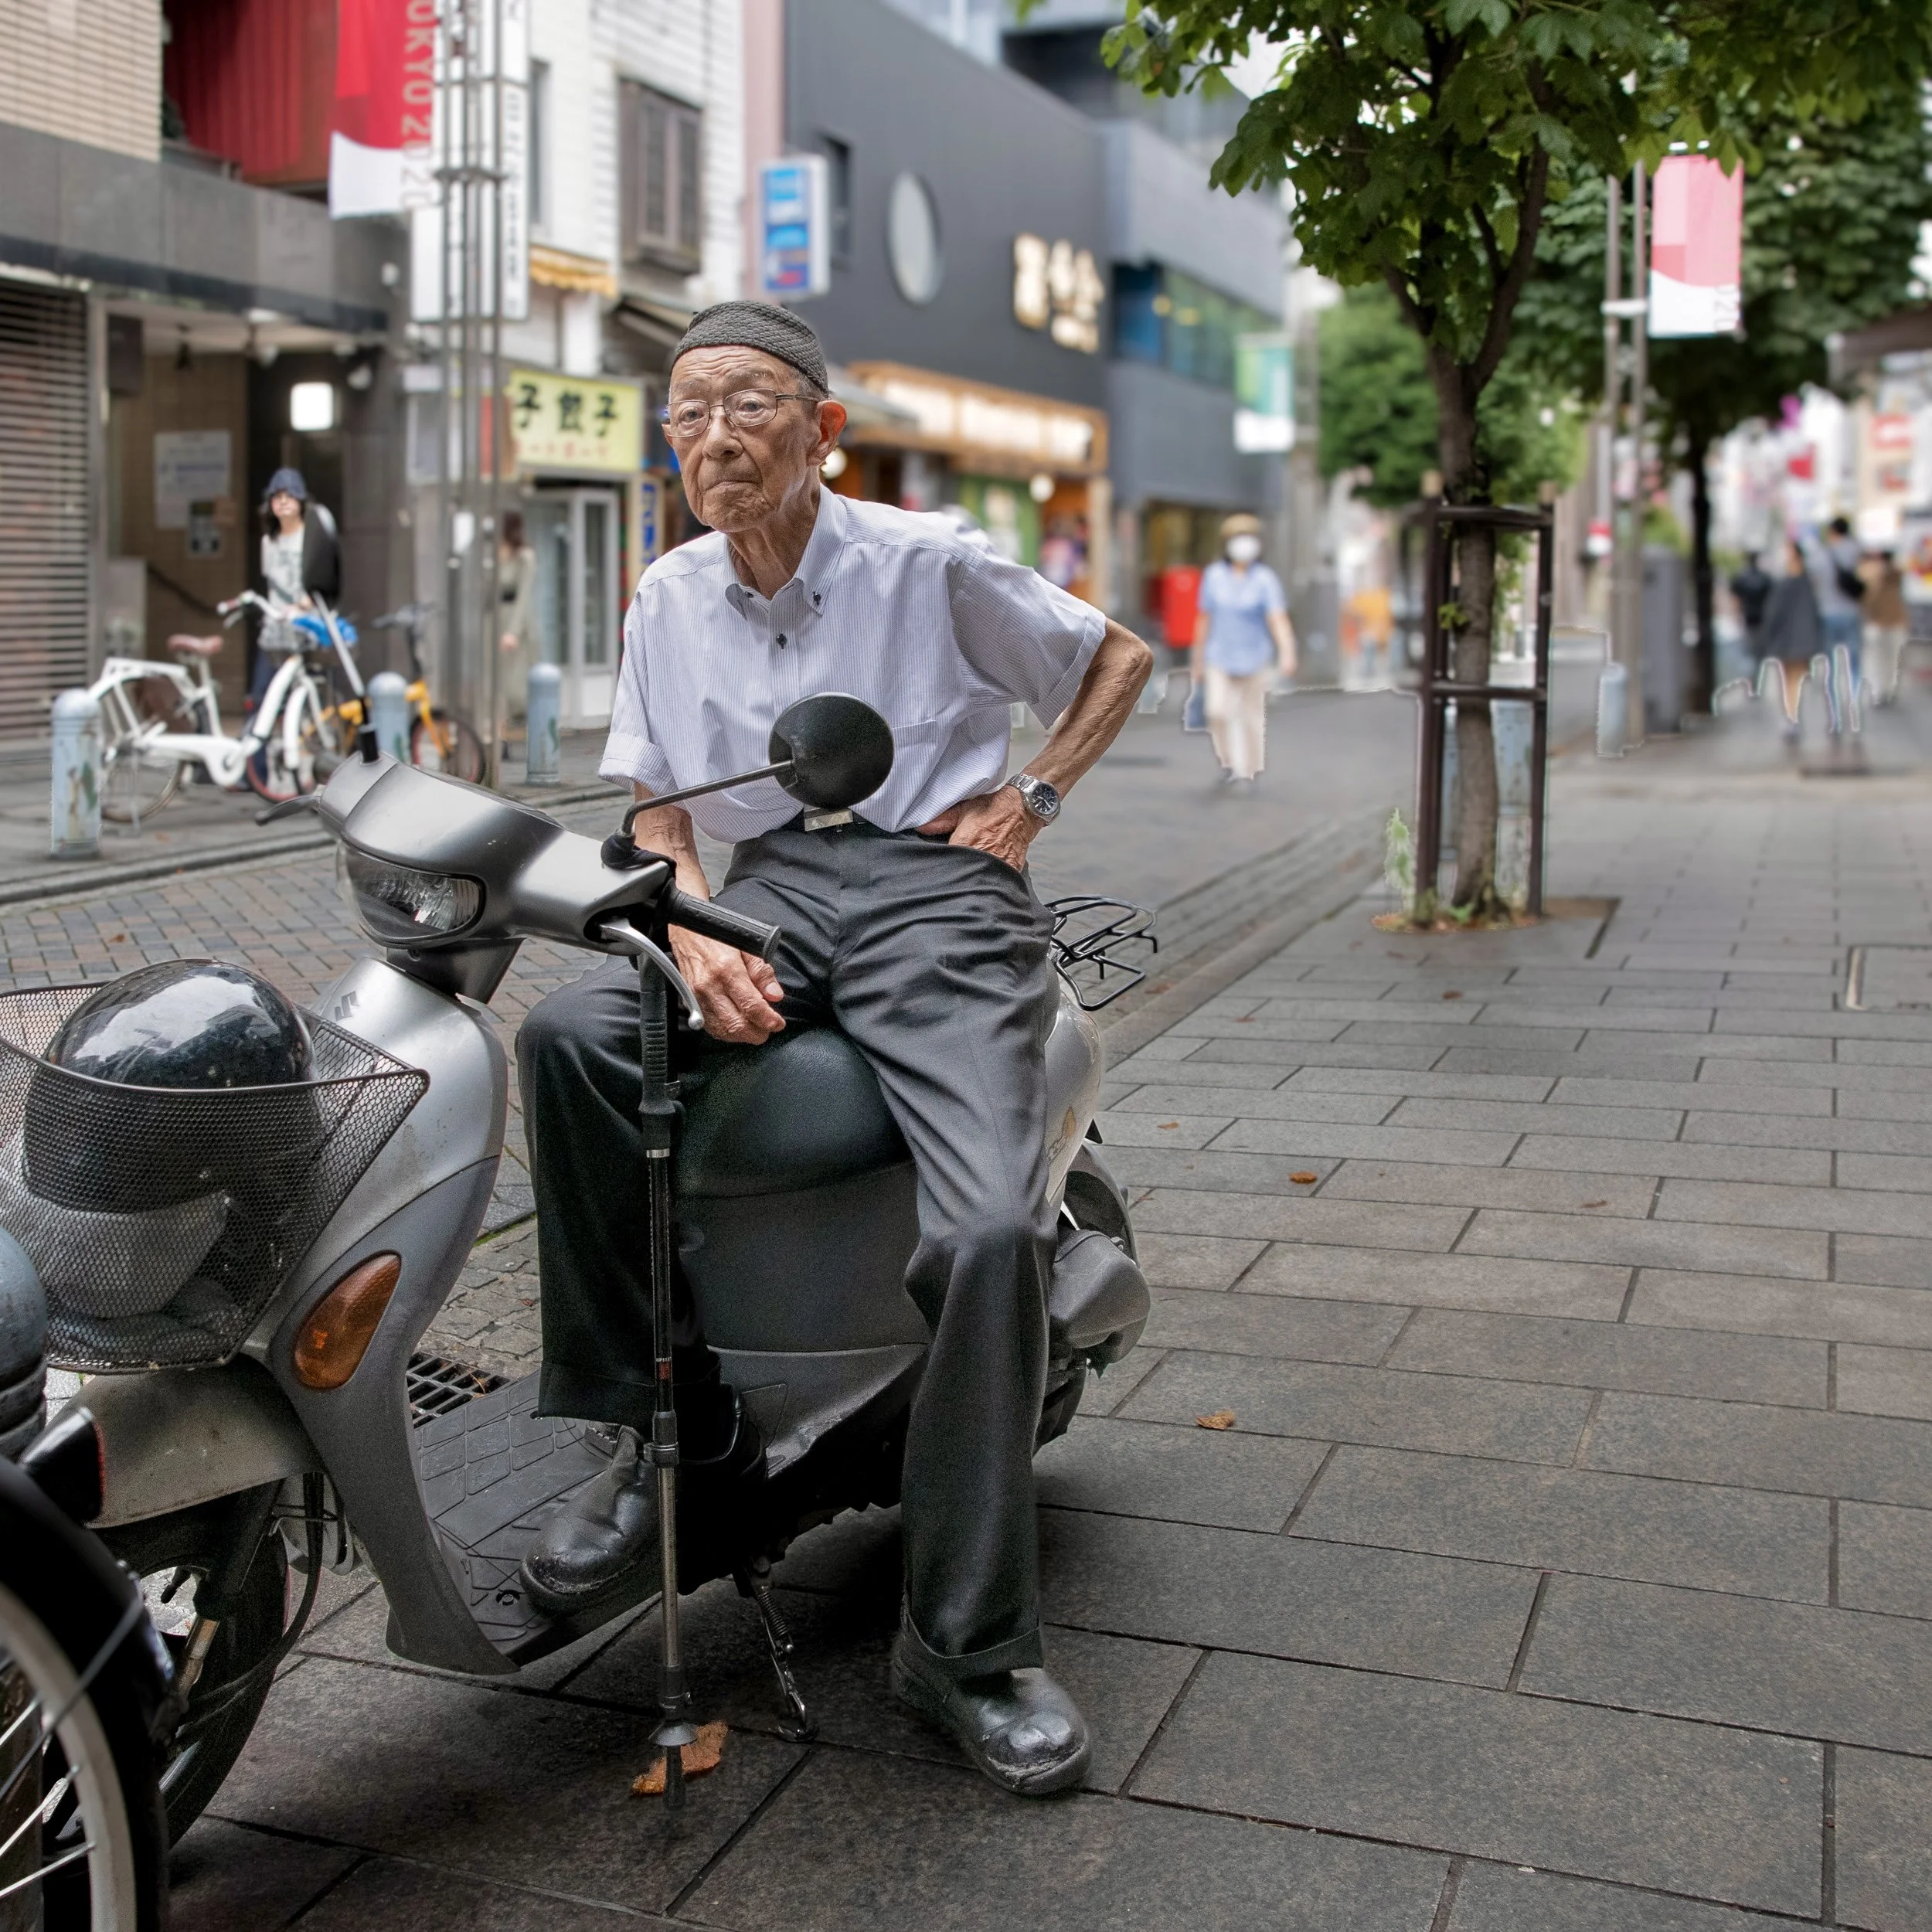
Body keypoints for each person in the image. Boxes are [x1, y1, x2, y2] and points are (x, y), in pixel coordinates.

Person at [514, 301, 1152, 1796]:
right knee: (568, 1037)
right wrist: (685, 927)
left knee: (989, 1229)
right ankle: (670, 1430)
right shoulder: (669, 593)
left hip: (941, 894)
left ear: (823, 432)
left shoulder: (926, 562)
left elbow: (1113, 658)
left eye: (746, 406)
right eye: (687, 415)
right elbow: (658, 802)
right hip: (774, 892)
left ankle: (968, 1646)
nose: (713, 439)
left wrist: (1032, 801)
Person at [1191, 513, 1296, 785]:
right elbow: (1204, 619)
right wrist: (1198, 660)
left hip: (1255, 656)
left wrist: (1287, 651)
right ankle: (1227, 762)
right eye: (1238, 537)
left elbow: (1277, 618)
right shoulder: (1214, 576)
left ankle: (1248, 770)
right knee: (1217, 710)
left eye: (1248, 537)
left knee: (1251, 717)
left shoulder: (1265, 579)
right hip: (1219, 655)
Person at [252, 468, 339, 709]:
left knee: (312, 698)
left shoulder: (314, 538)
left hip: (309, 630)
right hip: (276, 630)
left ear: (301, 501)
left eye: (290, 496)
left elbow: (327, 580)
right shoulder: (268, 542)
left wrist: (306, 602)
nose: (283, 502)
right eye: (277, 497)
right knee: (262, 696)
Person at [1761, 537, 1821, 741]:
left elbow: (1773, 613)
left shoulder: (1784, 582)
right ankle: (1792, 717)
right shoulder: (1808, 582)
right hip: (1803, 637)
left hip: (1786, 638)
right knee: (1795, 679)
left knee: (1789, 680)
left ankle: (1791, 717)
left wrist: (1768, 636)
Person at [1811, 515, 1865, 689]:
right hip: (1852, 611)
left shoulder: (1821, 554)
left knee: (1830, 663)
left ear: (1832, 531)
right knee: (1854, 661)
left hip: (1827, 612)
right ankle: (1855, 698)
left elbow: (1814, 581)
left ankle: (1833, 702)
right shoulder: (1857, 551)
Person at [496, 509, 539, 723]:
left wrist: (513, 631)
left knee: (516, 685)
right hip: (495, 621)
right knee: (497, 683)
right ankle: (501, 730)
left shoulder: (525, 557)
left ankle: (519, 725)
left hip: (515, 621)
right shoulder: (497, 554)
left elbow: (524, 596)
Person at [1862, 546, 1908, 707]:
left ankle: (1887, 690)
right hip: (1877, 623)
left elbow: (1898, 572)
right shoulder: (1869, 574)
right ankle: (1879, 690)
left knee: (1890, 658)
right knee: (1877, 659)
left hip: (1892, 623)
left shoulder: (1893, 574)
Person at [1730, 551, 1774, 665]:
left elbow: (1736, 600)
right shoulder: (1765, 579)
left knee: (1749, 655)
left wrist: (1736, 616)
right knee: (1760, 654)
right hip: (1762, 619)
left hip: (1748, 617)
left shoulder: (1741, 578)